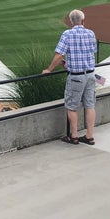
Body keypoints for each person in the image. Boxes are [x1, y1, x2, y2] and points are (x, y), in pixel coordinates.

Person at [42, 9, 97, 146]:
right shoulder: (90, 33)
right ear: (83, 20)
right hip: (90, 74)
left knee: (72, 107)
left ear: (71, 21)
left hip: (76, 77)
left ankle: (74, 136)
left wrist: (49, 70)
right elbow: (89, 53)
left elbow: (59, 55)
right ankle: (89, 136)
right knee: (90, 105)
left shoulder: (67, 34)